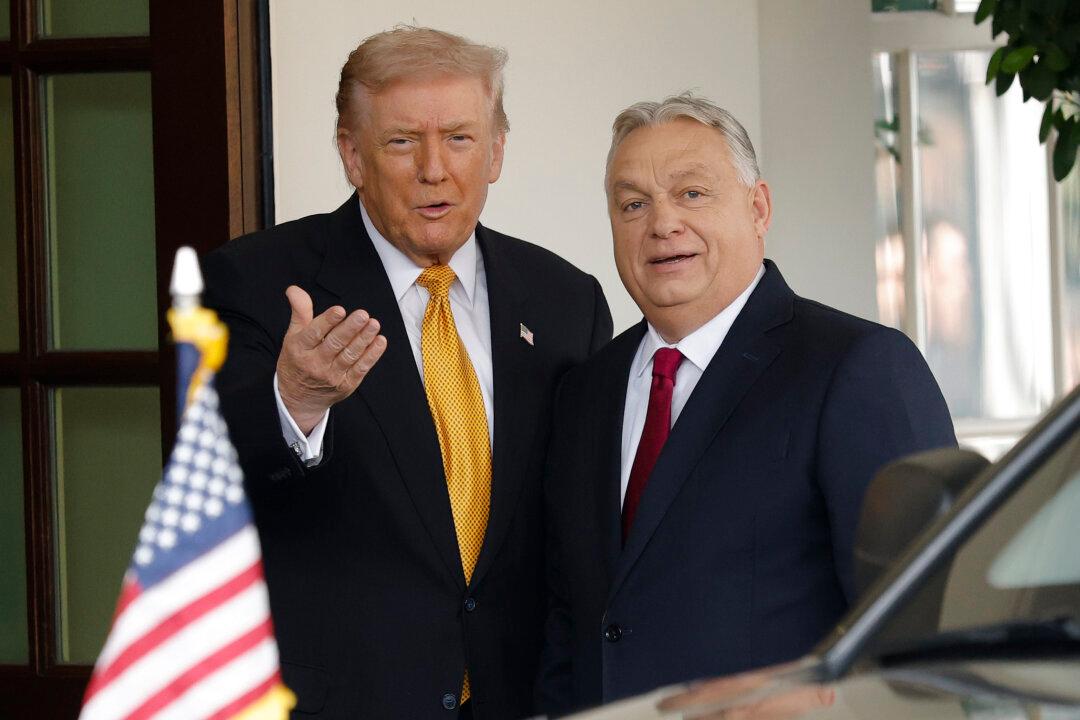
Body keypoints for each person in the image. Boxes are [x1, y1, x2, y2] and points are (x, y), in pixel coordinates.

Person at [203, 26, 612, 720]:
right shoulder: (261, 280)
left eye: (459, 138)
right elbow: (209, 475)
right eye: (401, 142)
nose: (434, 169)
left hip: (520, 699)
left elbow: (581, 521)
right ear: (351, 155)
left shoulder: (567, 299)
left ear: (497, 152)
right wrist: (294, 400)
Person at [537, 94, 955, 715]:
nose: (662, 224)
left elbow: (923, 621)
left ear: (758, 208)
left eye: (692, 194)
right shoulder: (585, 391)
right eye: (633, 204)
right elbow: (570, 622)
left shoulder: (858, 367)